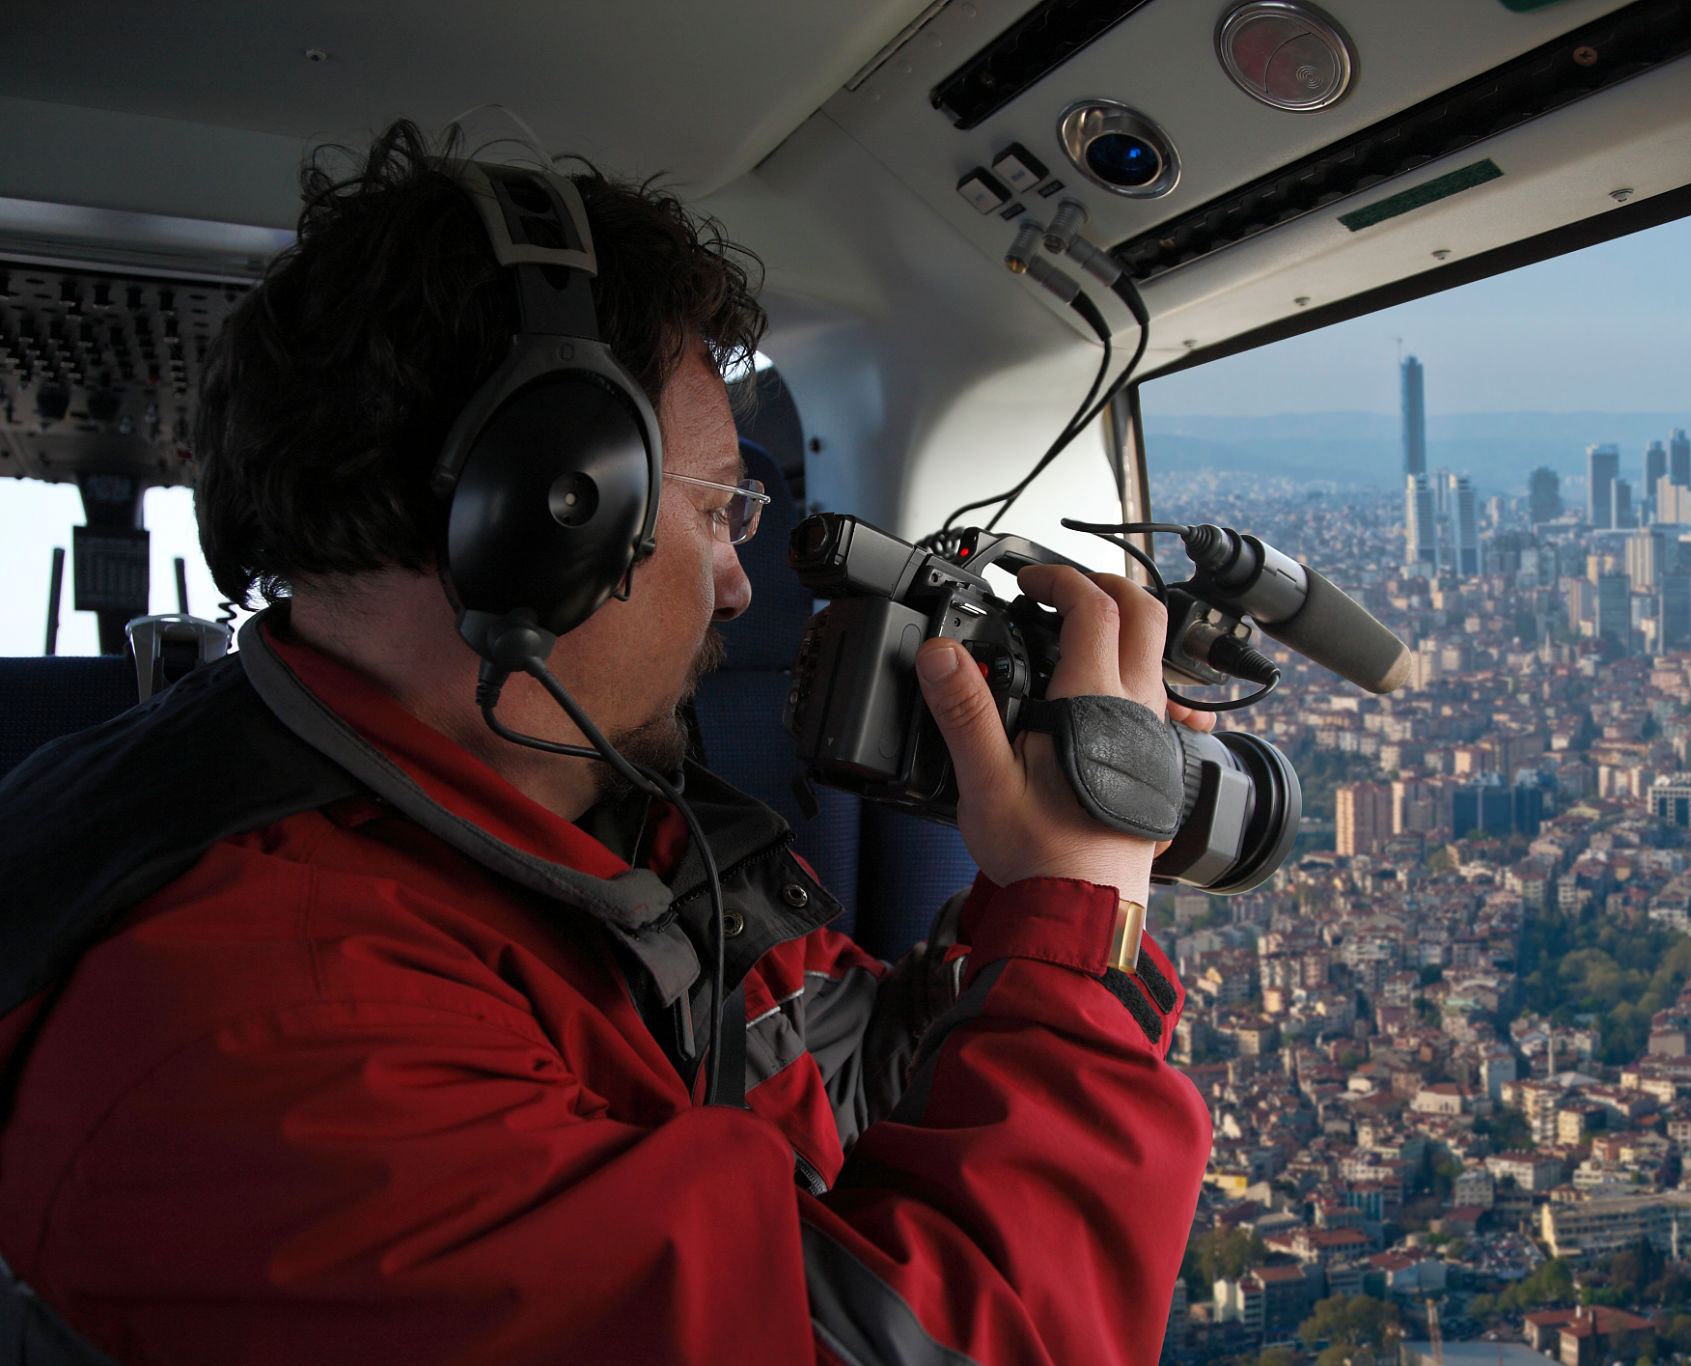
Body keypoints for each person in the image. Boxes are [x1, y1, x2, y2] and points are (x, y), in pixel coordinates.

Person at [0, 121, 1209, 1364]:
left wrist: (1034, 904)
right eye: (721, 509)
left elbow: (815, 1082)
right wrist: (1079, 920)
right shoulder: (275, 1048)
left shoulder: (547, 815)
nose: (741, 587)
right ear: (549, 515)